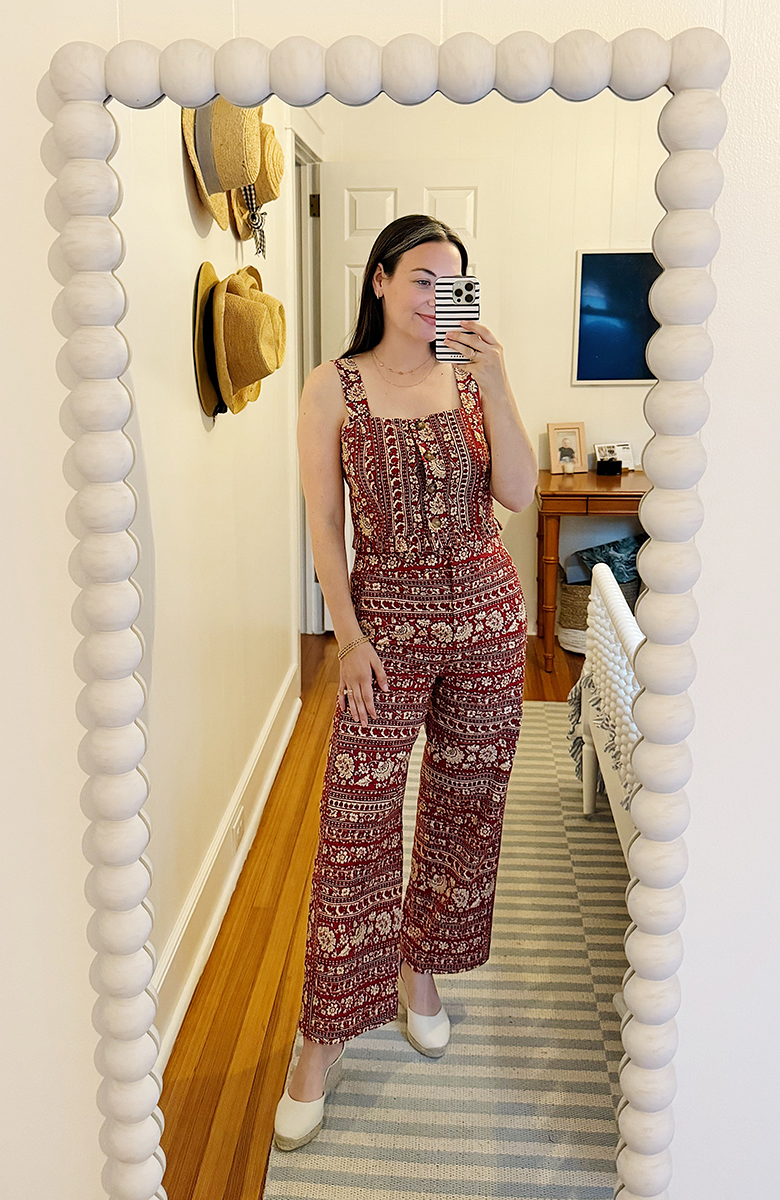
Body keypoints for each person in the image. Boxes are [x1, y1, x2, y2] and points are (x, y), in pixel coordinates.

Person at [274, 214, 538, 1151]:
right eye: (422, 279)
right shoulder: (329, 387)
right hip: (380, 625)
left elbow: (516, 493)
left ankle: (419, 973)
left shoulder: (472, 378)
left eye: (452, 282)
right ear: (380, 281)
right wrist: (345, 639)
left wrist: (500, 383)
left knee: (466, 802)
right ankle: (323, 1034)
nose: (437, 299)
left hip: (485, 619)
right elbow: (323, 528)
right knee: (356, 817)